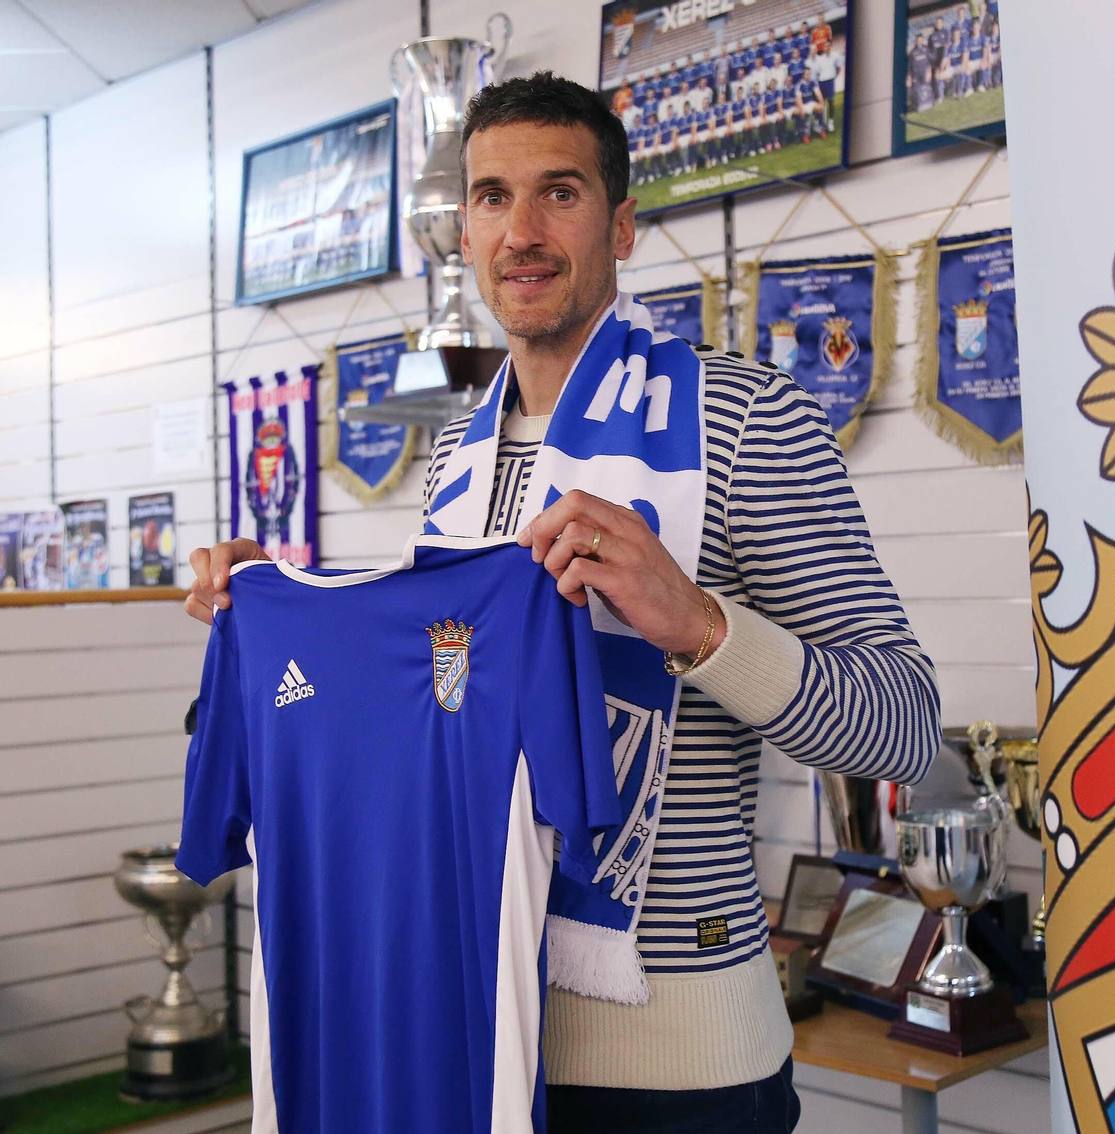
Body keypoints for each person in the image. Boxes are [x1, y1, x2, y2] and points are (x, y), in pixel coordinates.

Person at [183, 71, 940, 1134]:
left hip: (679, 1072)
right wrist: (282, 607)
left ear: (622, 225)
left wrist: (700, 626)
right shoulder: (458, 455)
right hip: (470, 1041)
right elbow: (441, 716)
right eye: (492, 198)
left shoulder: (748, 419)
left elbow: (904, 727)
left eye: (560, 193)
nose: (522, 230)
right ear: (466, 231)